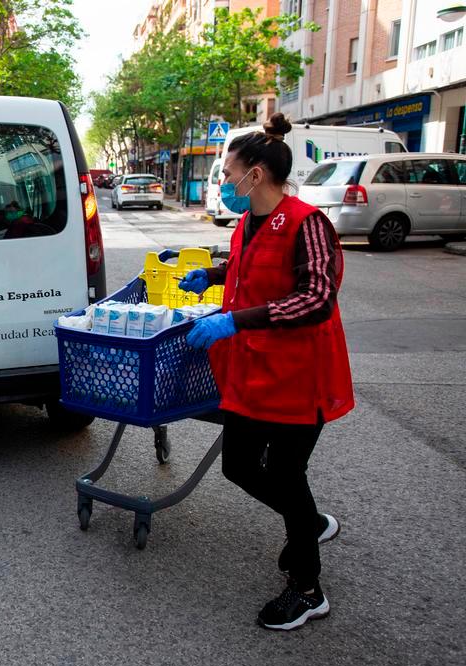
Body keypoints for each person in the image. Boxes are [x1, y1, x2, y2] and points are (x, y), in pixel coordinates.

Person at [178, 113, 354, 631]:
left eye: (230, 175)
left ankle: (306, 588)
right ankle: (309, 522)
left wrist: (236, 321)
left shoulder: (307, 223)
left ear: (256, 175)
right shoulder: (249, 223)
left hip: (300, 379)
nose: (226, 184)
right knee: (238, 465)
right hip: (255, 375)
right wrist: (210, 275)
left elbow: (317, 298)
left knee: (284, 474)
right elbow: (249, 267)